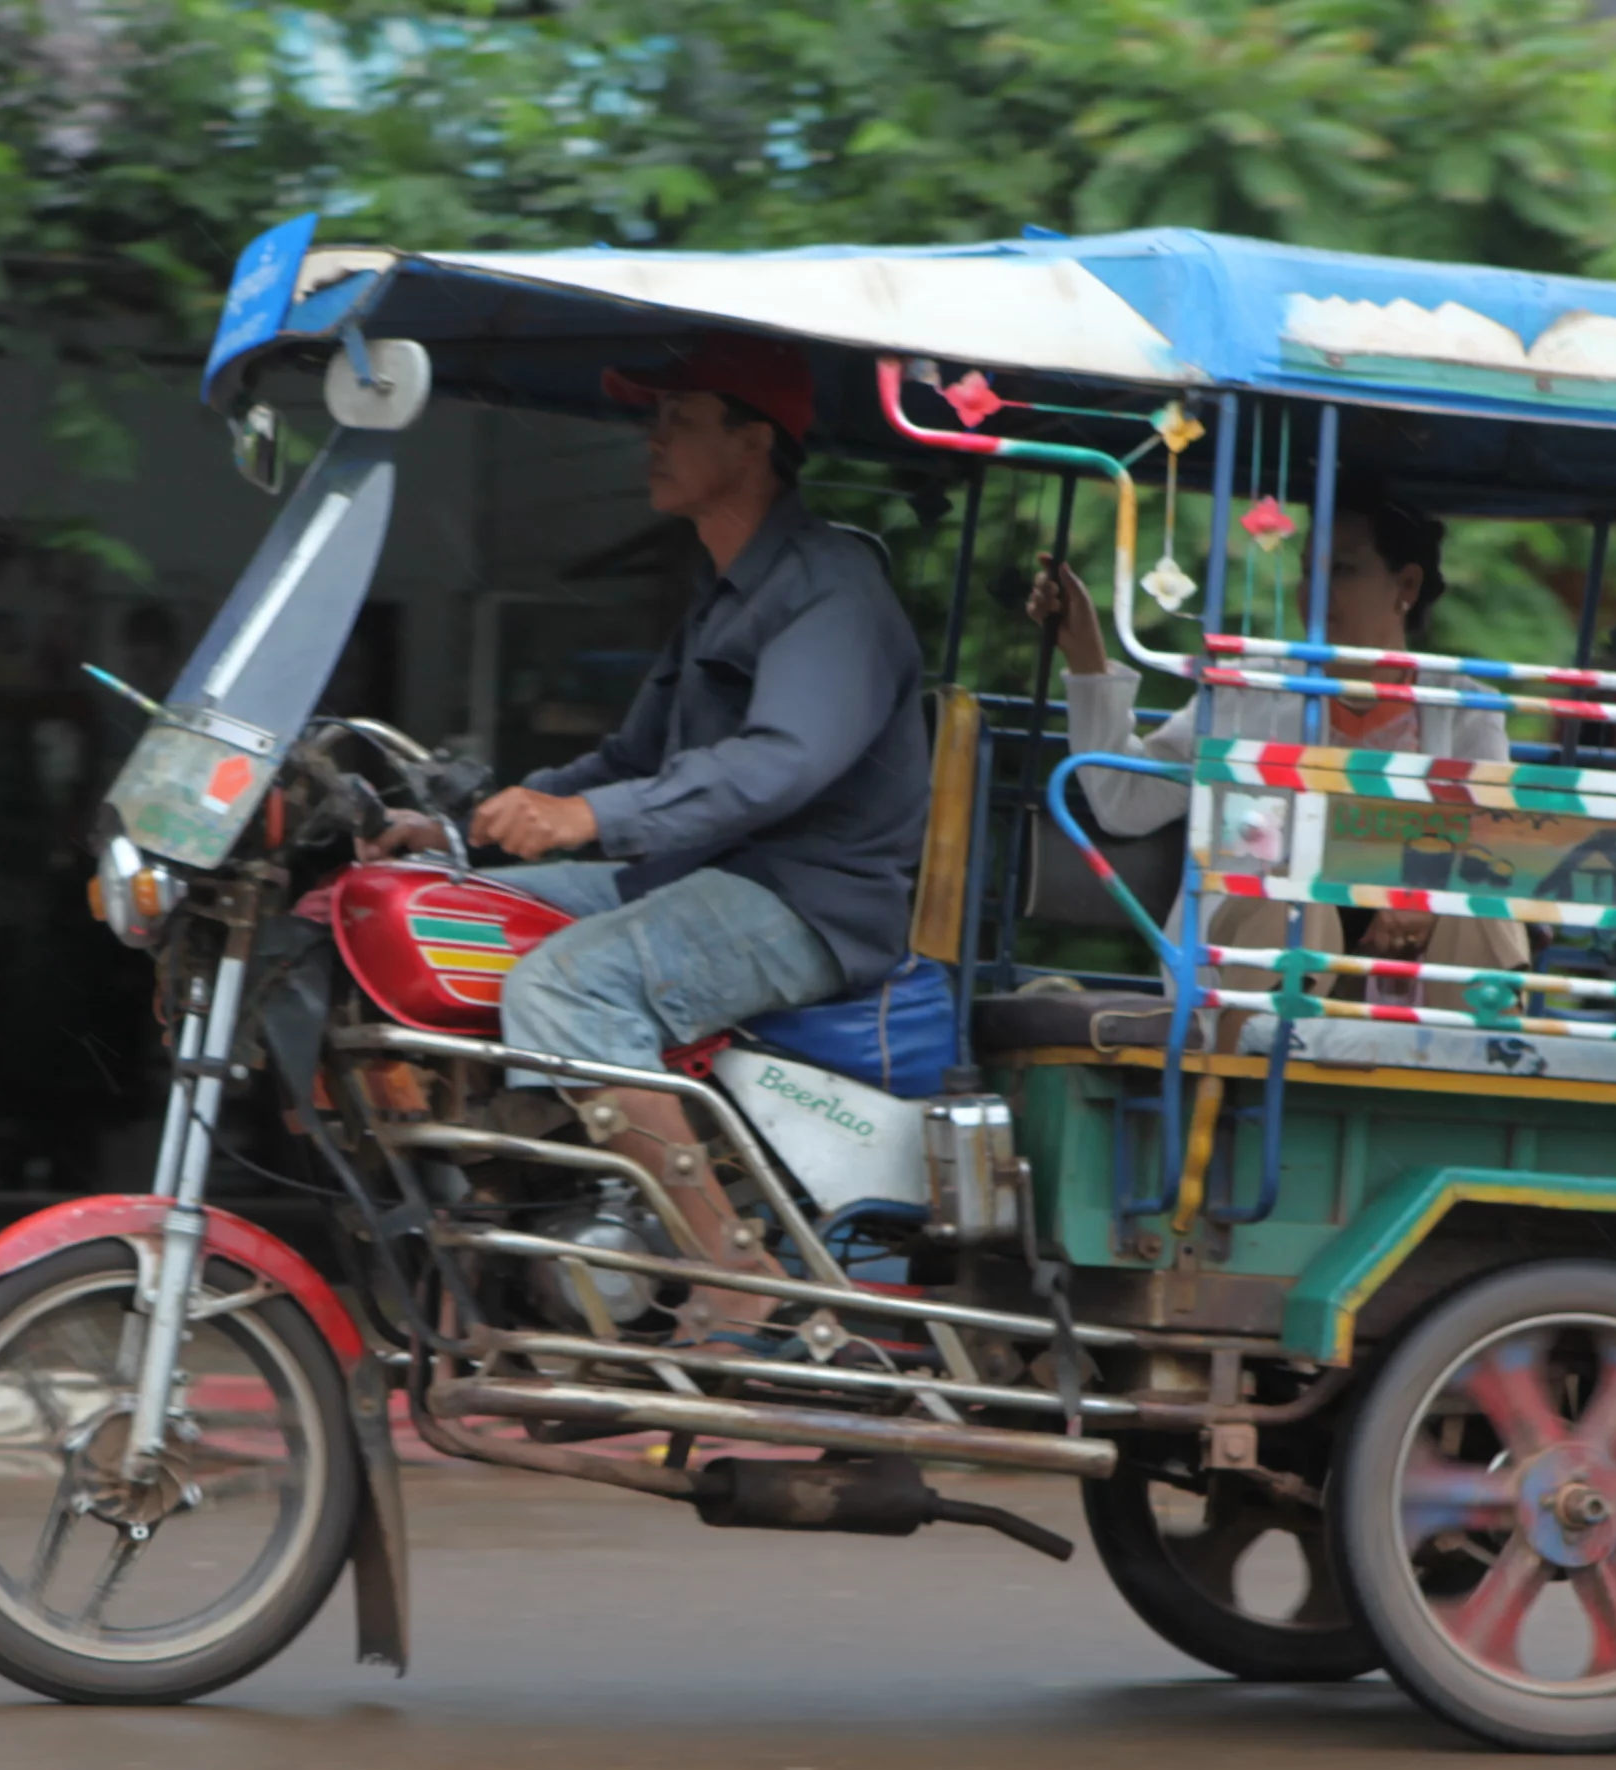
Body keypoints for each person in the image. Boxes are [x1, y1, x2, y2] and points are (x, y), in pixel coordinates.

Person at [362, 331, 929, 1334]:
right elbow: (630, 761)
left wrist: (588, 820)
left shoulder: (831, 587)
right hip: (695, 875)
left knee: (568, 983)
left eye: (680, 420)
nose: (653, 441)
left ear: (753, 443)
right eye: (653, 421)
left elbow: (780, 762)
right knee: (453, 914)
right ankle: (532, 1195)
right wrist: (458, 832)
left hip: (804, 900)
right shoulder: (724, 591)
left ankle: (733, 1277)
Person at [1025, 490, 1531, 1013]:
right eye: (1310, 572)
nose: (1316, 592)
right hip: (1265, 952)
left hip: (1408, 973)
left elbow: (1495, 846)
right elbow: (1123, 801)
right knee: (1295, 901)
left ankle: (1476, 1071)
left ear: (1405, 585)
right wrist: (1086, 657)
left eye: (1343, 571)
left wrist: (1427, 898)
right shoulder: (1250, 688)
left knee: (1480, 908)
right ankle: (1258, 1066)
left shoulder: (1466, 706)